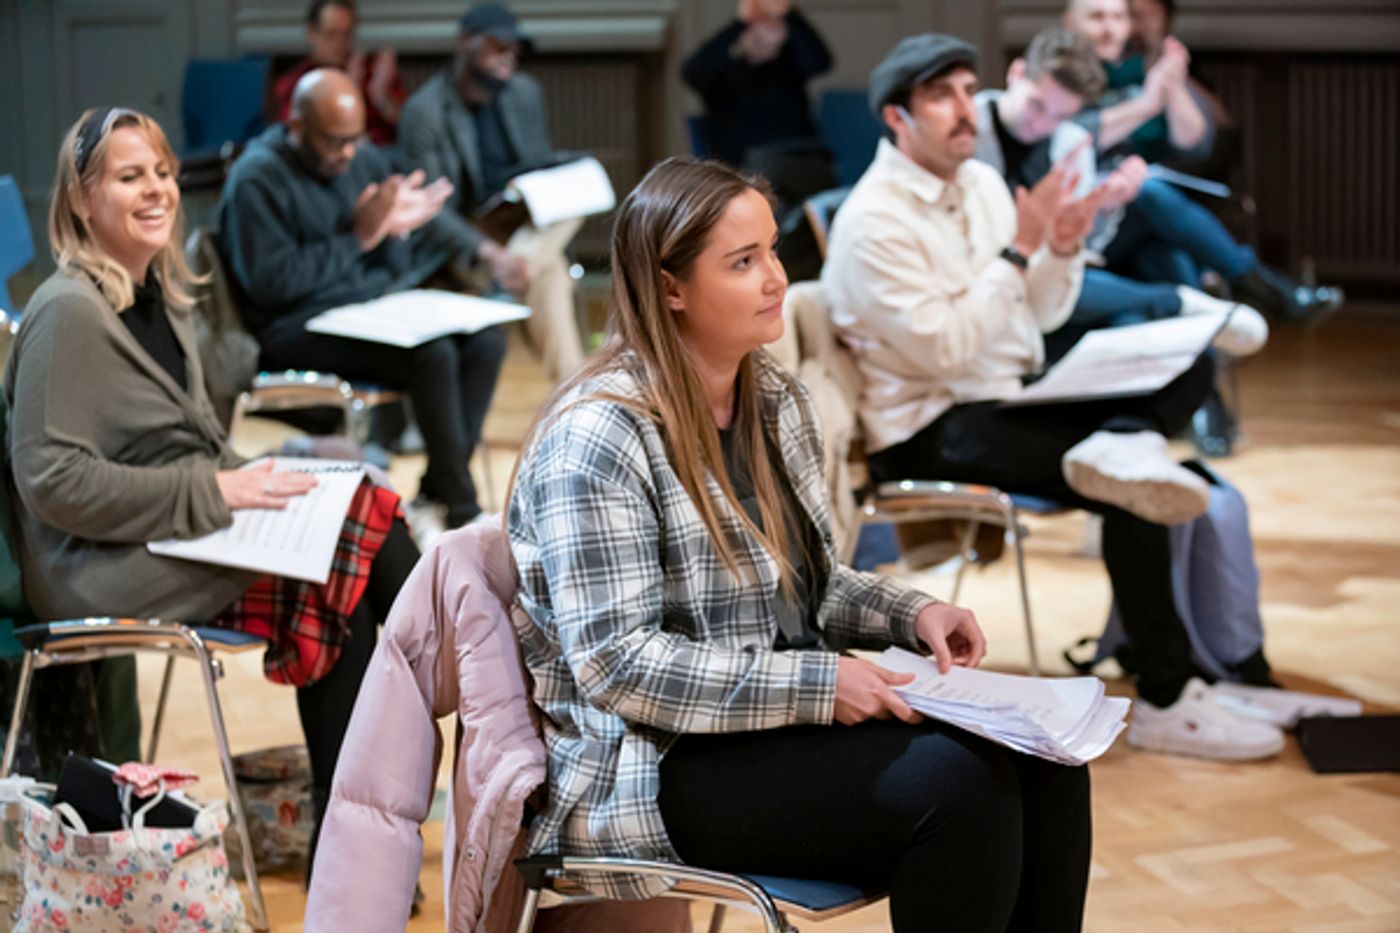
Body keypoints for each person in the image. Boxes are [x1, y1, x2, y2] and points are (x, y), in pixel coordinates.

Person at [506, 156, 1093, 931]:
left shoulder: (773, 397)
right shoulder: (599, 435)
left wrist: (911, 613)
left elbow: (810, 585)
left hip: (766, 725)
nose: (776, 278)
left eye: (774, 251)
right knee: (959, 790)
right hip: (650, 762)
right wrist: (823, 685)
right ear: (671, 287)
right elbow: (618, 665)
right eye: (743, 262)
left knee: (1050, 761)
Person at [821, 34, 1286, 761]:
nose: (963, 110)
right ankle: (1165, 697)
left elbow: (1035, 313)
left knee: (1187, 359)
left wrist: (1061, 247)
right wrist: (1017, 254)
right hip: (931, 426)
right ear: (896, 118)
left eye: (968, 91)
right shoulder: (872, 220)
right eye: (940, 95)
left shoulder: (977, 182)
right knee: (1138, 486)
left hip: (1003, 396)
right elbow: (946, 351)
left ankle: (1123, 439)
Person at [3, 105, 421, 870]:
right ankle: (447, 695)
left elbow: (197, 442)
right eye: (131, 176)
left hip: (171, 531)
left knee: (343, 558)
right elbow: (52, 482)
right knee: (364, 527)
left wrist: (268, 481)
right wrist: (219, 492)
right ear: (80, 199)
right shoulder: (66, 313)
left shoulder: (159, 292)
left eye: (162, 172)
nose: (158, 189)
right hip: (94, 565)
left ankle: (353, 841)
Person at [220, 68, 507, 530]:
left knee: (486, 342)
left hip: (367, 312)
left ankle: (438, 489)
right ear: (296, 126)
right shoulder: (257, 178)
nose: (349, 153)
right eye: (335, 142)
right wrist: (359, 238)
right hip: (293, 327)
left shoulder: (364, 162)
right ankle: (461, 508)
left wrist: (393, 232)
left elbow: (391, 268)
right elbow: (272, 285)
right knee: (432, 355)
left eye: (356, 138)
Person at [975, 26, 1268, 366]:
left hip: (1050, 273)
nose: (1041, 124)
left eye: (1061, 115)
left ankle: (1159, 403)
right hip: (992, 270)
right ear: (1017, 73)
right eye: (1036, 105)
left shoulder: (1070, 142)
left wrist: (1103, 209)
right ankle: (1183, 302)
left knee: (1129, 315)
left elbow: (1084, 251)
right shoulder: (968, 128)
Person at [1063, 0, 1343, 322]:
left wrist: (1171, 78)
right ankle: (1257, 282)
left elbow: (1196, 143)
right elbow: (1072, 137)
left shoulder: (1135, 69)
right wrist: (1147, 104)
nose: (1110, 28)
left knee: (1175, 265)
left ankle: (1215, 334)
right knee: (1150, 191)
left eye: (1119, 17)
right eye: (1097, 18)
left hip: (1137, 223)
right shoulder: (1061, 74)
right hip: (1086, 225)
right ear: (1070, 22)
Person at [400, 3, 585, 383]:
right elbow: (430, 209)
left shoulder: (524, 94)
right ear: (465, 42)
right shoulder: (426, 112)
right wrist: (491, 253)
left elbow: (538, 168)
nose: (508, 58)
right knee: (550, 277)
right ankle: (575, 393)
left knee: (582, 191)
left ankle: (519, 267)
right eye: (498, 47)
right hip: (466, 240)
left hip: (521, 222)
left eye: (513, 50)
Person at [682, 0, 836, 208]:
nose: (770, 30)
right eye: (762, 23)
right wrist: (739, 23)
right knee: (765, 177)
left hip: (802, 160)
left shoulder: (790, 69)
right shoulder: (723, 75)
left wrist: (788, 15)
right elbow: (692, 71)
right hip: (748, 167)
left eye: (775, 23)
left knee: (808, 177)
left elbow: (821, 61)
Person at [272, 0, 405, 146]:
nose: (339, 43)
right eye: (331, 34)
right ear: (311, 33)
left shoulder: (373, 74)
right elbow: (299, 139)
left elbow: (411, 128)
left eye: (347, 34)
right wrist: (351, 90)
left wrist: (382, 98)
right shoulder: (297, 84)